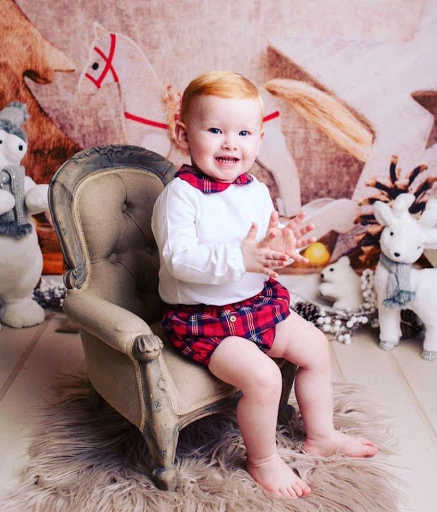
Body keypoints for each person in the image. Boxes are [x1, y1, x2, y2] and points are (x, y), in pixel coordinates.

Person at [151, 70, 378, 499]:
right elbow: (178, 260)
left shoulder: (253, 188)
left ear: (259, 138)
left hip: (254, 305)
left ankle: (322, 435)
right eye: (215, 130)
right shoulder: (180, 196)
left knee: (316, 347)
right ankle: (264, 460)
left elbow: (263, 243)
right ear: (183, 134)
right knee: (264, 377)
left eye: (243, 133)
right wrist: (242, 257)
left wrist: (282, 245)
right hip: (205, 320)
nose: (230, 143)